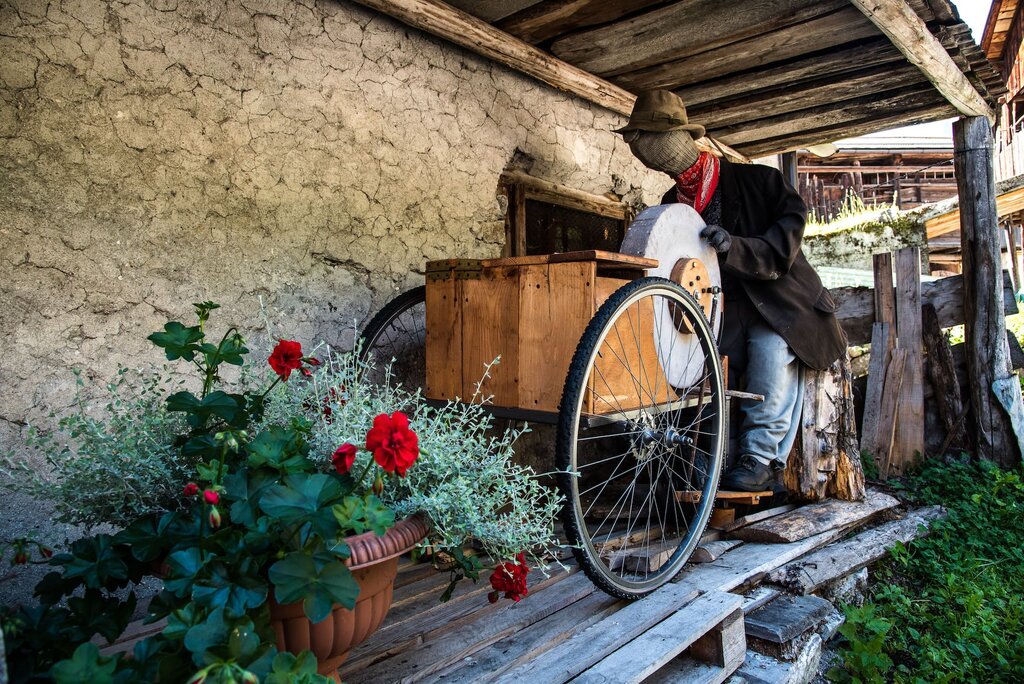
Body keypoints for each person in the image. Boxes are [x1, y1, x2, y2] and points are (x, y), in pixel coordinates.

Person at [615, 90, 847, 491]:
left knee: (769, 353)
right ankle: (716, 456)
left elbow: (788, 235)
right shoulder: (675, 203)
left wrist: (736, 246)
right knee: (699, 368)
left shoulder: (758, 179)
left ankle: (760, 459)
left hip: (779, 301)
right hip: (723, 308)